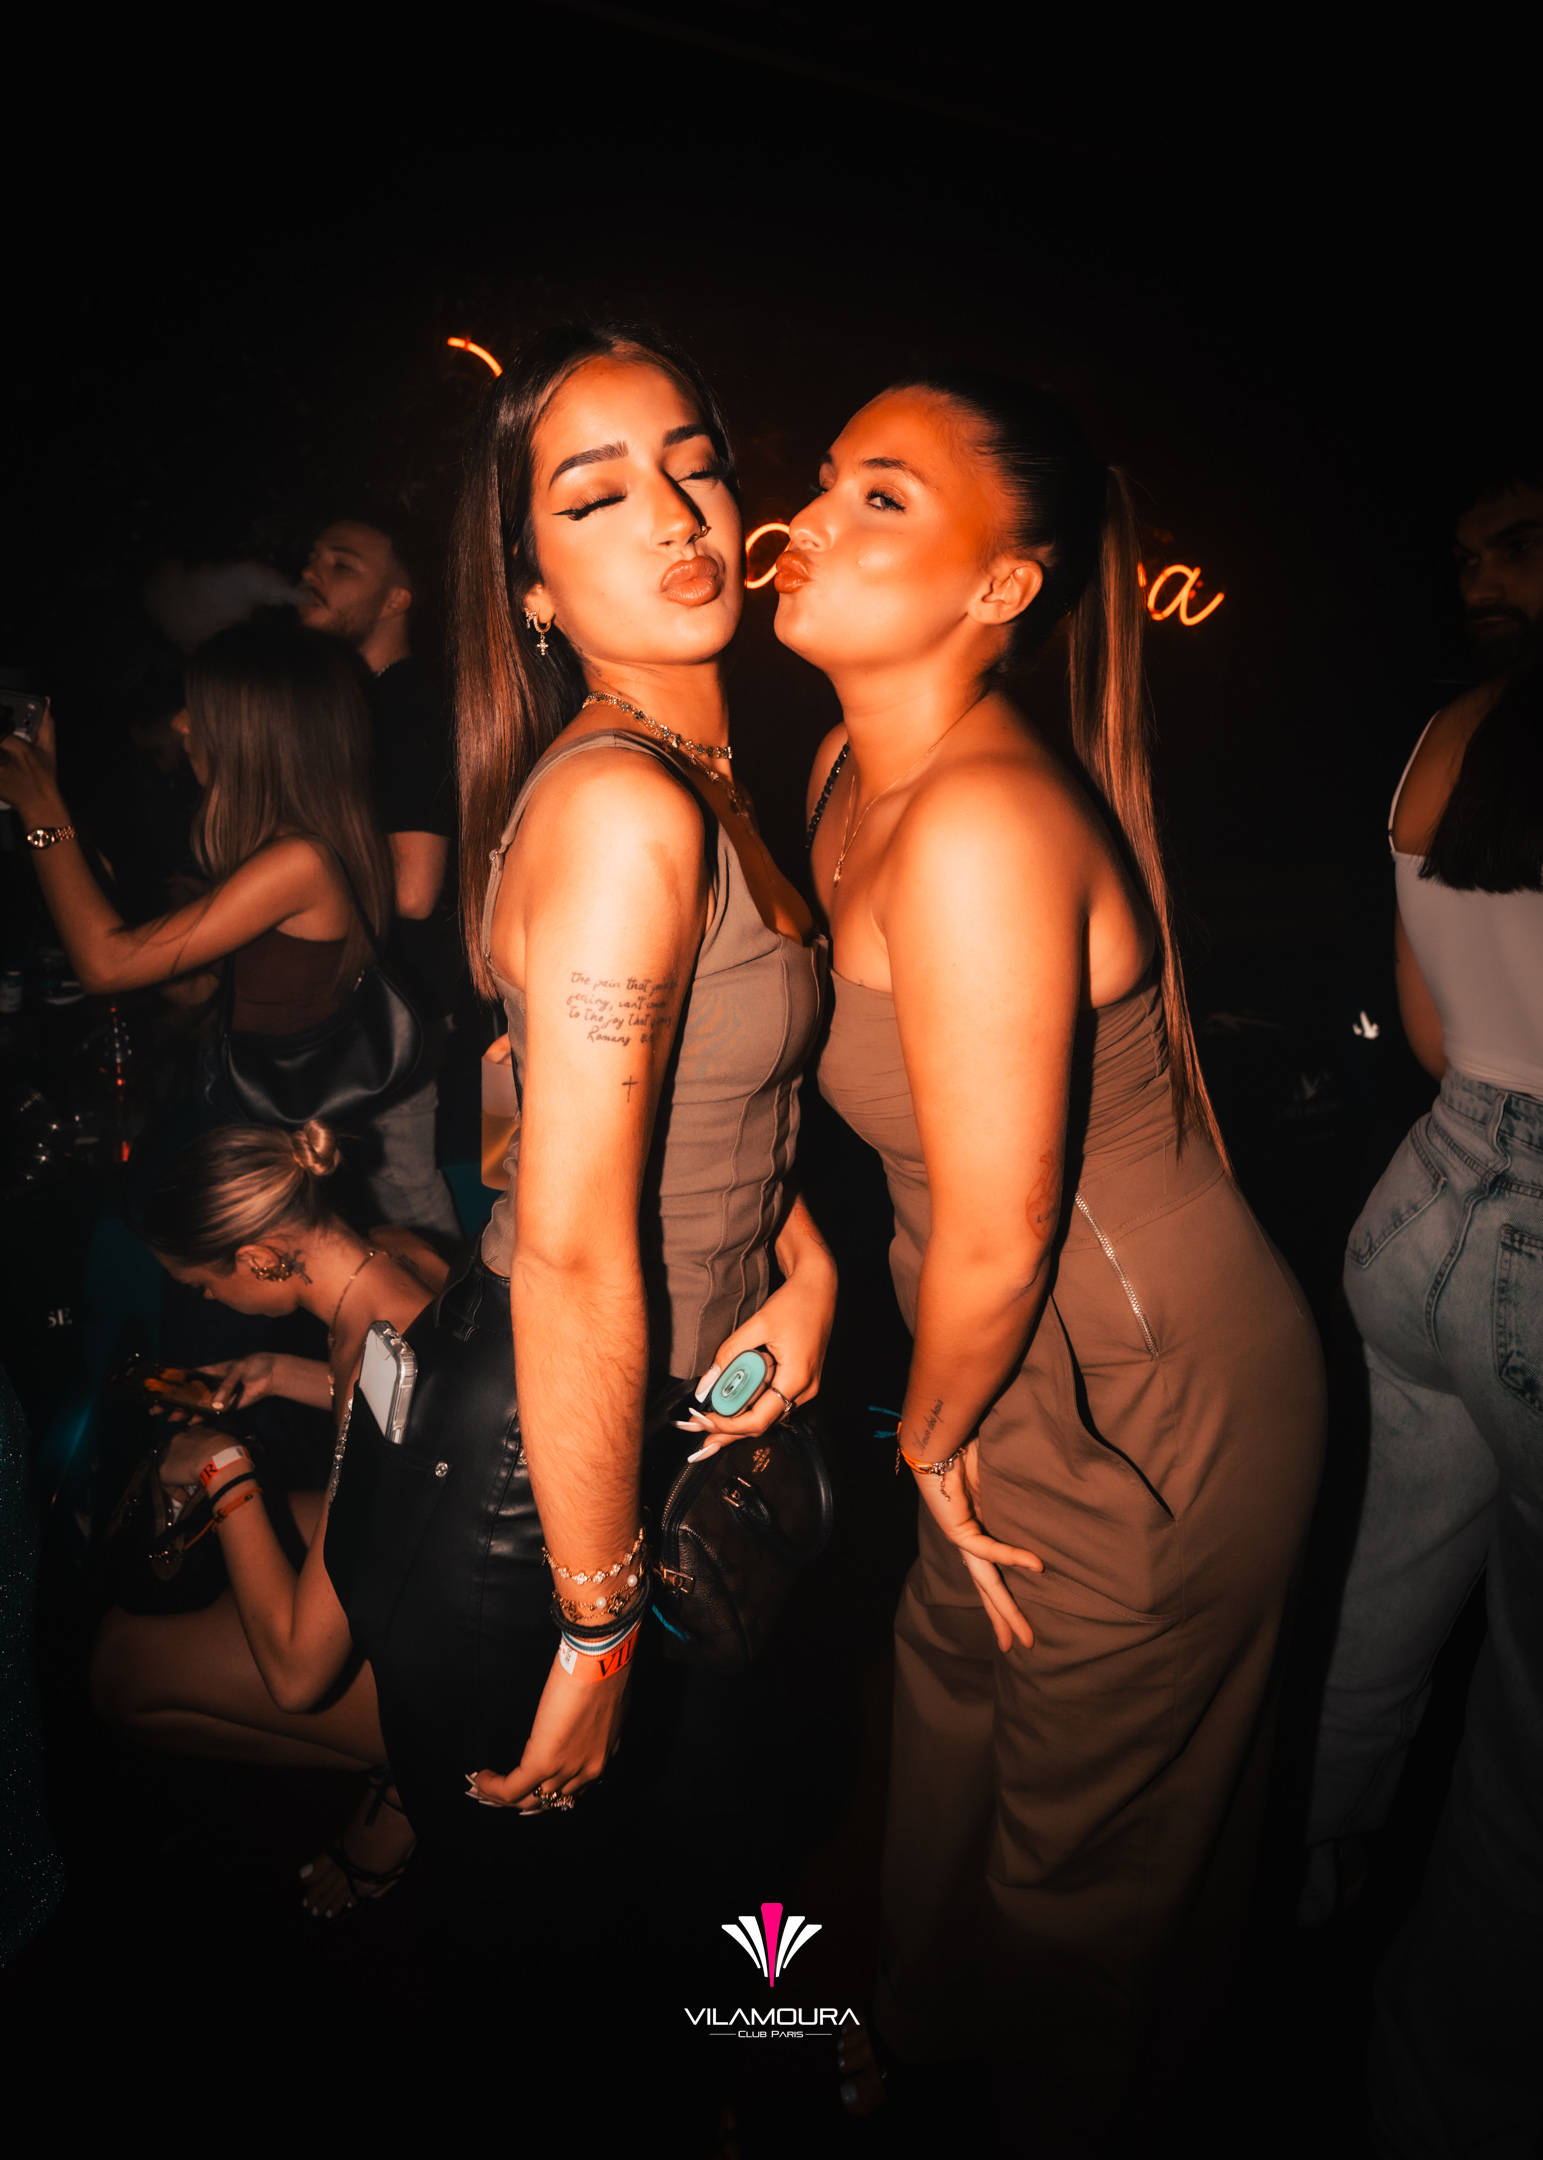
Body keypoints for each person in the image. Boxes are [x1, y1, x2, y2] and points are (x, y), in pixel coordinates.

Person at [779, 371, 1326, 2138]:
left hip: (1137, 1389)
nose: (807, 518)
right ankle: (913, 2049)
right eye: (825, 477)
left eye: (880, 496)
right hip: (986, 1358)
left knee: (1081, 1867)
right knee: (944, 1725)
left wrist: (927, 1442)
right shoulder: (845, 772)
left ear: (1001, 585)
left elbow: (1008, 1232)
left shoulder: (978, 824)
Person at [324, 324, 837, 2051]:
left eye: (692, 463)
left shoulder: (687, 777)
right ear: (531, 589)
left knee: (684, 1895)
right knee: (553, 1981)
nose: (674, 514)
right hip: (550, 1490)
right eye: (597, 493)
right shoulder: (627, 811)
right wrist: (596, 1625)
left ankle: (757, 2051)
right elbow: (564, 1246)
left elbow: (660, 1100)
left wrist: (805, 1261)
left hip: (621, 1431)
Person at [1302, 452, 1543, 2154]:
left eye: (1509, 548)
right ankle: (1447, 2096)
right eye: (1470, 555)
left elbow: (1434, 1033)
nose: (1479, 580)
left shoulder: (1441, 741)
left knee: (1364, 1621)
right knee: (1522, 1754)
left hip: (1420, 1206)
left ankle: (1274, 1920)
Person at [89, 1121, 442, 1915]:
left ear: (256, 1258)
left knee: (117, 1669)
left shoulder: (380, 1374)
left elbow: (296, 1676)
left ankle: (417, 1780)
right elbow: (412, 1418)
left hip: (474, 1683)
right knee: (245, 1550)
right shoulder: (400, 1260)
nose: (210, 1301)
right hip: (456, 1563)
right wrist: (278, 1371)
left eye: (203, 1286)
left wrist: (224, 1466)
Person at [0, 619, 394, 1122]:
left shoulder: (300, 861)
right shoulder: (284, 850)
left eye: (198, 707)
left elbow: (105, 967)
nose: (181, 723)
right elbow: (195, 988)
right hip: (241, 1106)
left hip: (272, 1134)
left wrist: (42, 812)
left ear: (253, 730)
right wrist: (87, 868)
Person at [298, 518, 460, 1246]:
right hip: (370, 1001)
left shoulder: (407, 706)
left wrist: (283, 895)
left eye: (342, 566)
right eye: (313, 560)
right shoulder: (360, 704)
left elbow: (413, 889)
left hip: (399, 1005)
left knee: (404, 1199)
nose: (312, 575)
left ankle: (451, 1313)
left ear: (396, 600)